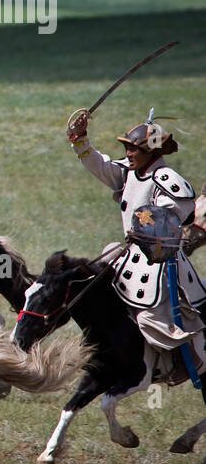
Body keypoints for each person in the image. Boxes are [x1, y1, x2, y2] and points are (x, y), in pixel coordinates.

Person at [68, 111, 205, 358]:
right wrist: (81, 140)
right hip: (131, 255)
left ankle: (174, 358)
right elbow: (100, 165)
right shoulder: (128, 171)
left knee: (149, 316)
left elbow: (176, 217)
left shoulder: (168, 181)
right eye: (127, 149)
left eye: (134, 150)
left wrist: (146, 230)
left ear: (150, 153)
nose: (129, 154)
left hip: (160, 262)